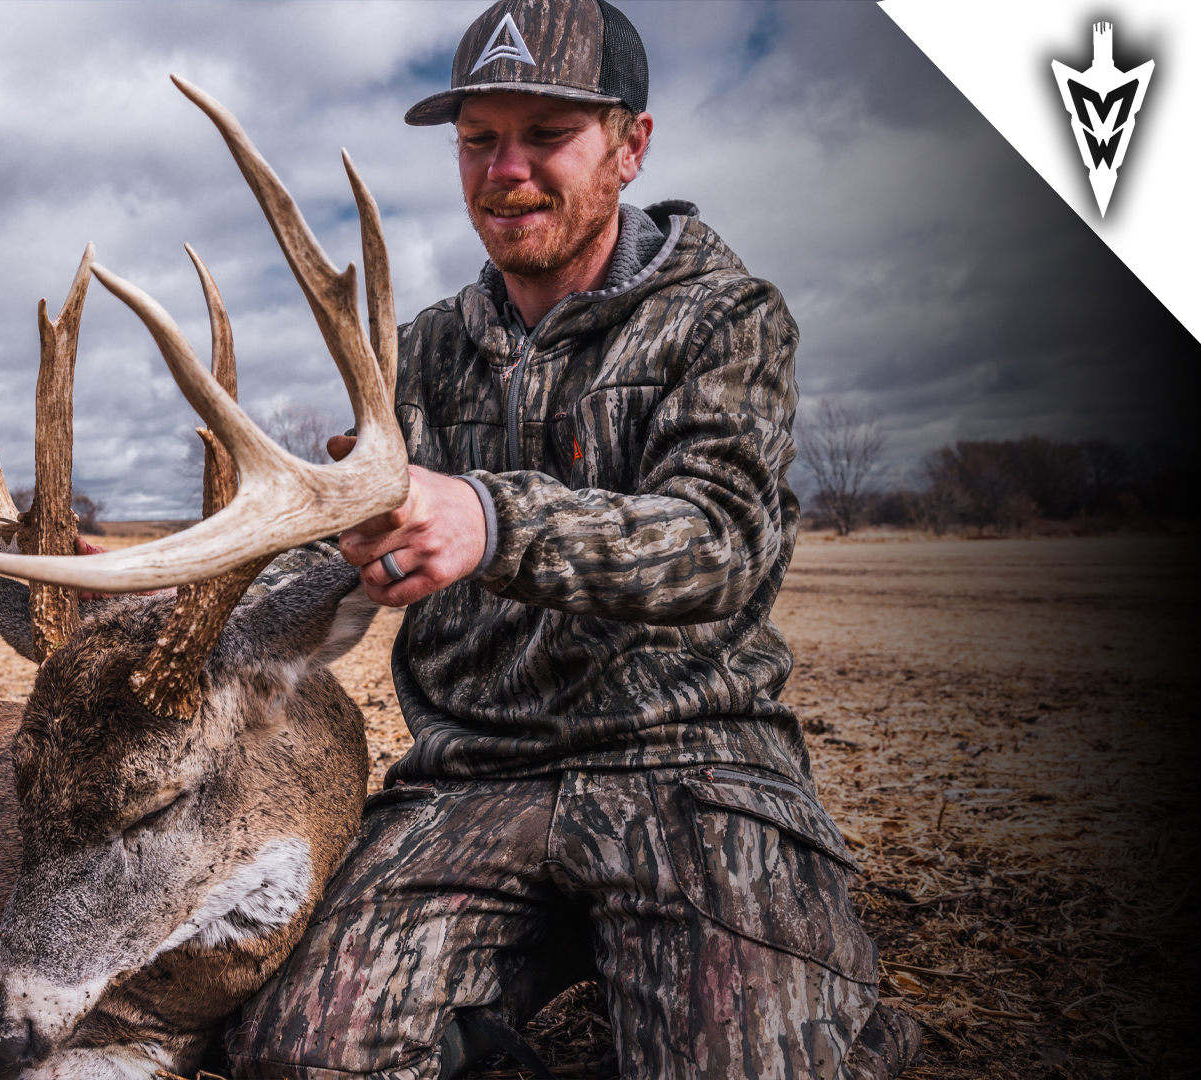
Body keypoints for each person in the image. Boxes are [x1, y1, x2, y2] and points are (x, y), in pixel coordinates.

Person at [225, 2, 920, 1078]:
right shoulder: (412, 355)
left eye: (546, 134)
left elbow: (719, 541)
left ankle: (815, 997)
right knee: (296, 1054)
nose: (506, 171)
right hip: (471, 780)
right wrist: (184, 591)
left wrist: (489, 517)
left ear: (631, 145)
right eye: (479, 140)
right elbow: (337, 551)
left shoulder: (726, 320)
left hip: (694, 766)